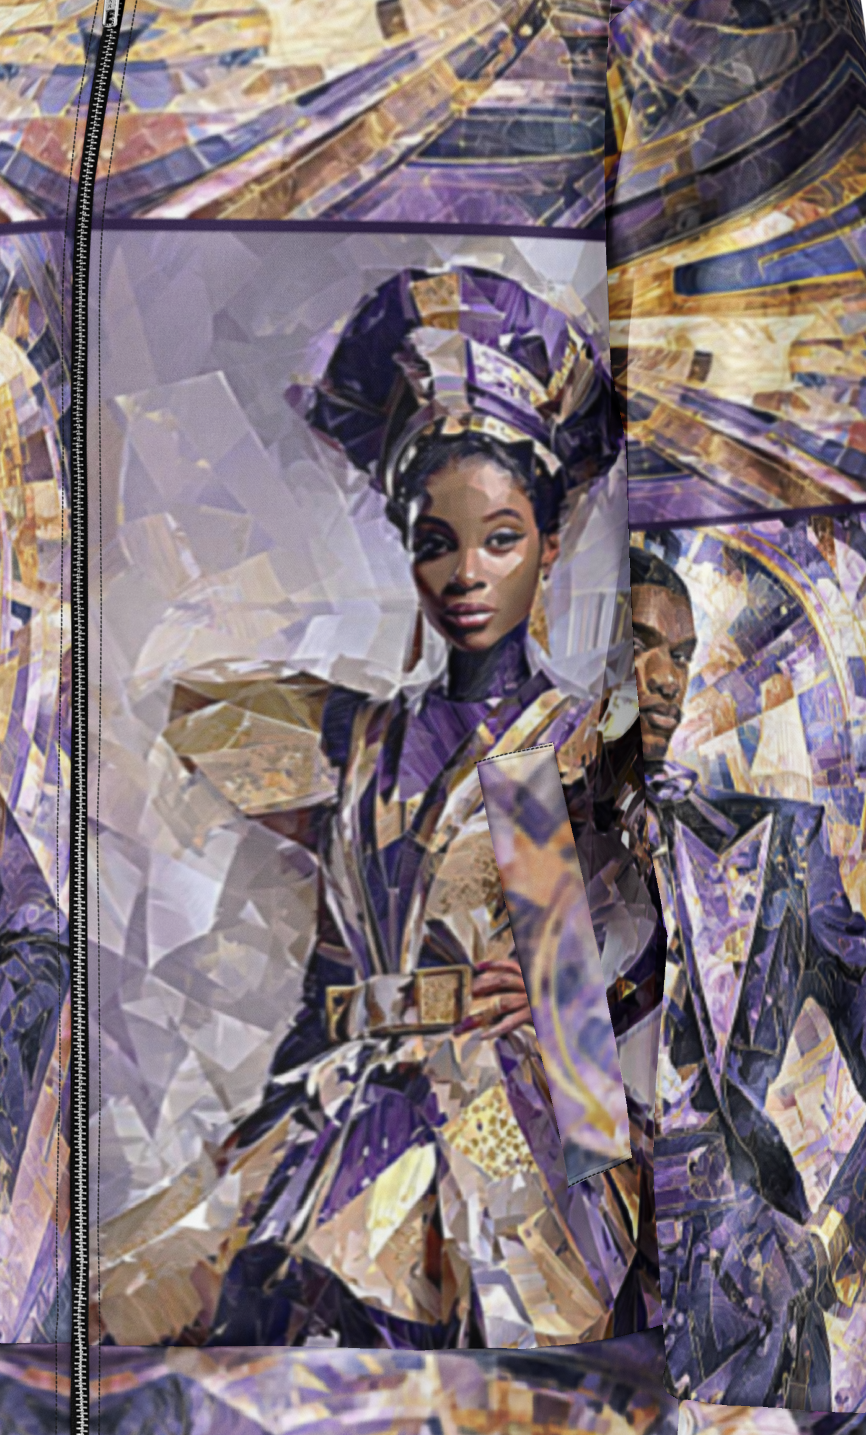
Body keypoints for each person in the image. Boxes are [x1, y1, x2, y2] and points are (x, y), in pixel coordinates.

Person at [100, 264, 640, 1351]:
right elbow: (186, 710)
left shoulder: (564, 748)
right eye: (435, 541)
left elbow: (589, 1027)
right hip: (333, 1109)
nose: (466, 574)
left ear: (548, 543)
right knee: (147, 1304)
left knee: (427, 1319)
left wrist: (566, 996)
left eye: (499, 537)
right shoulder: (359, 741)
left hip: (497, 1144)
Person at [598, 537, 866, 1411]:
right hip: (585, 1305)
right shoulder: (530, 843)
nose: (664, 678)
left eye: (680, 654)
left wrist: (827, 1245)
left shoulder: (778, 846)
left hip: (753, 1325)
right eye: (638, 645)